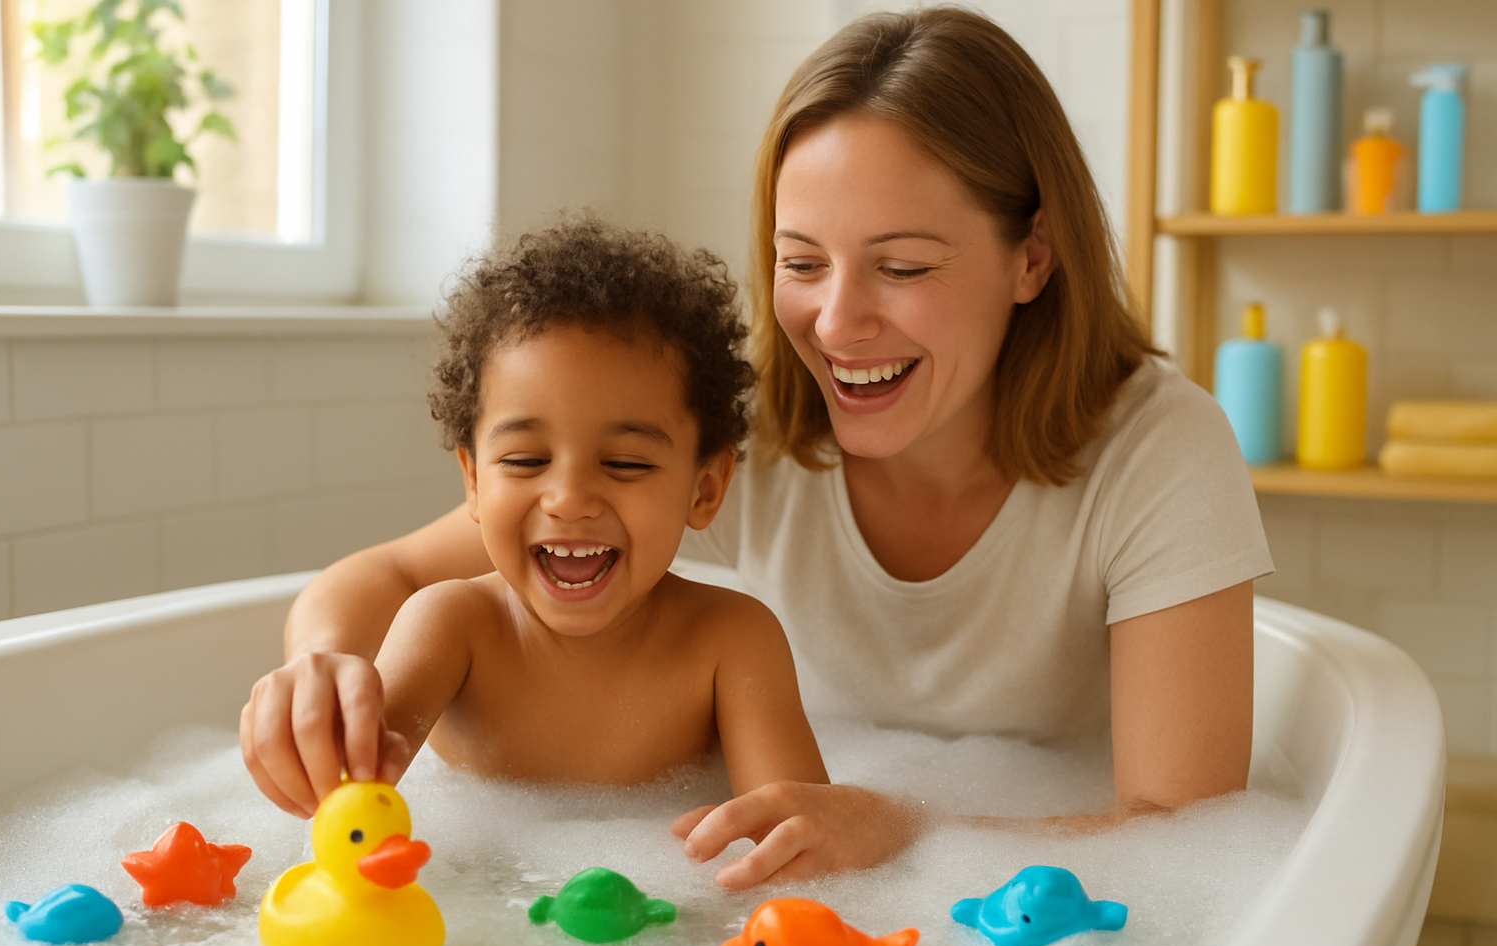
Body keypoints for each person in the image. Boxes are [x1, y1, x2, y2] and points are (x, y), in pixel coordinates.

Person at [244, 9, 1273, 891]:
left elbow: (1183, 837)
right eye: (801, 262)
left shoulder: (1156, 451)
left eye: (902, 265)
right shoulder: (746, 437)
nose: (836, 321)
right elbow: (381, 577)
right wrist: (321, 677)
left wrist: (907, 829)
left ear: (1032, 258)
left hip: (1044, 902)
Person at [240, 221, 828, 823]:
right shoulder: (451, 628)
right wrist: (322, 719)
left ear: (704, 490)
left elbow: (801, 841)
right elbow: (347, 806)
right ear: (473, 480)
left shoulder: (732, 642)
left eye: (625, 463)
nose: (569, 499)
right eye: (525, 460)